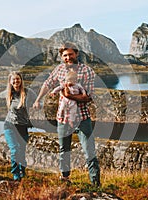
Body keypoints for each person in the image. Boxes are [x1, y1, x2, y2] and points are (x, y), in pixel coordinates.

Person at [33, 42, 100, 186]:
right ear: (61, 57)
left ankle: (95, 183)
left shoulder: (87, 71)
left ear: (76, 54)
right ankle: (65, 179)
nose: (68, 58)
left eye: (70, 54)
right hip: (62, 118)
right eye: (65, 55)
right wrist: (38, 99)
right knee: (64, 150)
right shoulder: (59, 70)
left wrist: (68, 96)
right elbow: (48, 83)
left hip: (82, 118)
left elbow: (88, 97)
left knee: (89, 151)